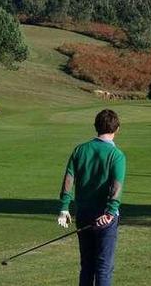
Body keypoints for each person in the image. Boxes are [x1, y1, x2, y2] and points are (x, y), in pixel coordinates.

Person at [57, 109, 126, 286]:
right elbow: (116, 187)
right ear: (117, 128)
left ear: (95, 127)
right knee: (103, 267)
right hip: (105, 218)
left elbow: (69, 179)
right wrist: (110, 212)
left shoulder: (80, 150)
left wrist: (64, 207)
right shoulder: (116, 155)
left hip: (84, 214)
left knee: (87, 266)